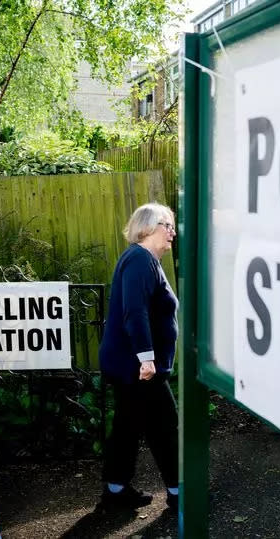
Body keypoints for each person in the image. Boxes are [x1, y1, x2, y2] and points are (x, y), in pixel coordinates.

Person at [98, 202, 179, 511]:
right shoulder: (140, 260)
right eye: (167, 225)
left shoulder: (144, 260)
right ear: (147, 227)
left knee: (128, 425)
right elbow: (135, 312)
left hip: (131, 365)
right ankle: (179, 493)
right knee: (165, 427)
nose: (172, 232)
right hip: (139, 367)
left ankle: (116, 492)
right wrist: (147, 358)